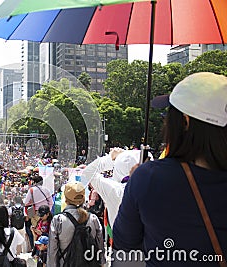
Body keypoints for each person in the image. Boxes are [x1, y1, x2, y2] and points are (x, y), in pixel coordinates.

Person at [113, 72, 227, 266]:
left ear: (185, 121)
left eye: (168, 116)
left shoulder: (150, 178)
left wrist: (137, 182)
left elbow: (125, 243)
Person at [47, 181, 105, 267]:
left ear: (66, 199)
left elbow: (52, 251)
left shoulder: (58, 220)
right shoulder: (93, 219)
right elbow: (100, 245)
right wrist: (102, 263)